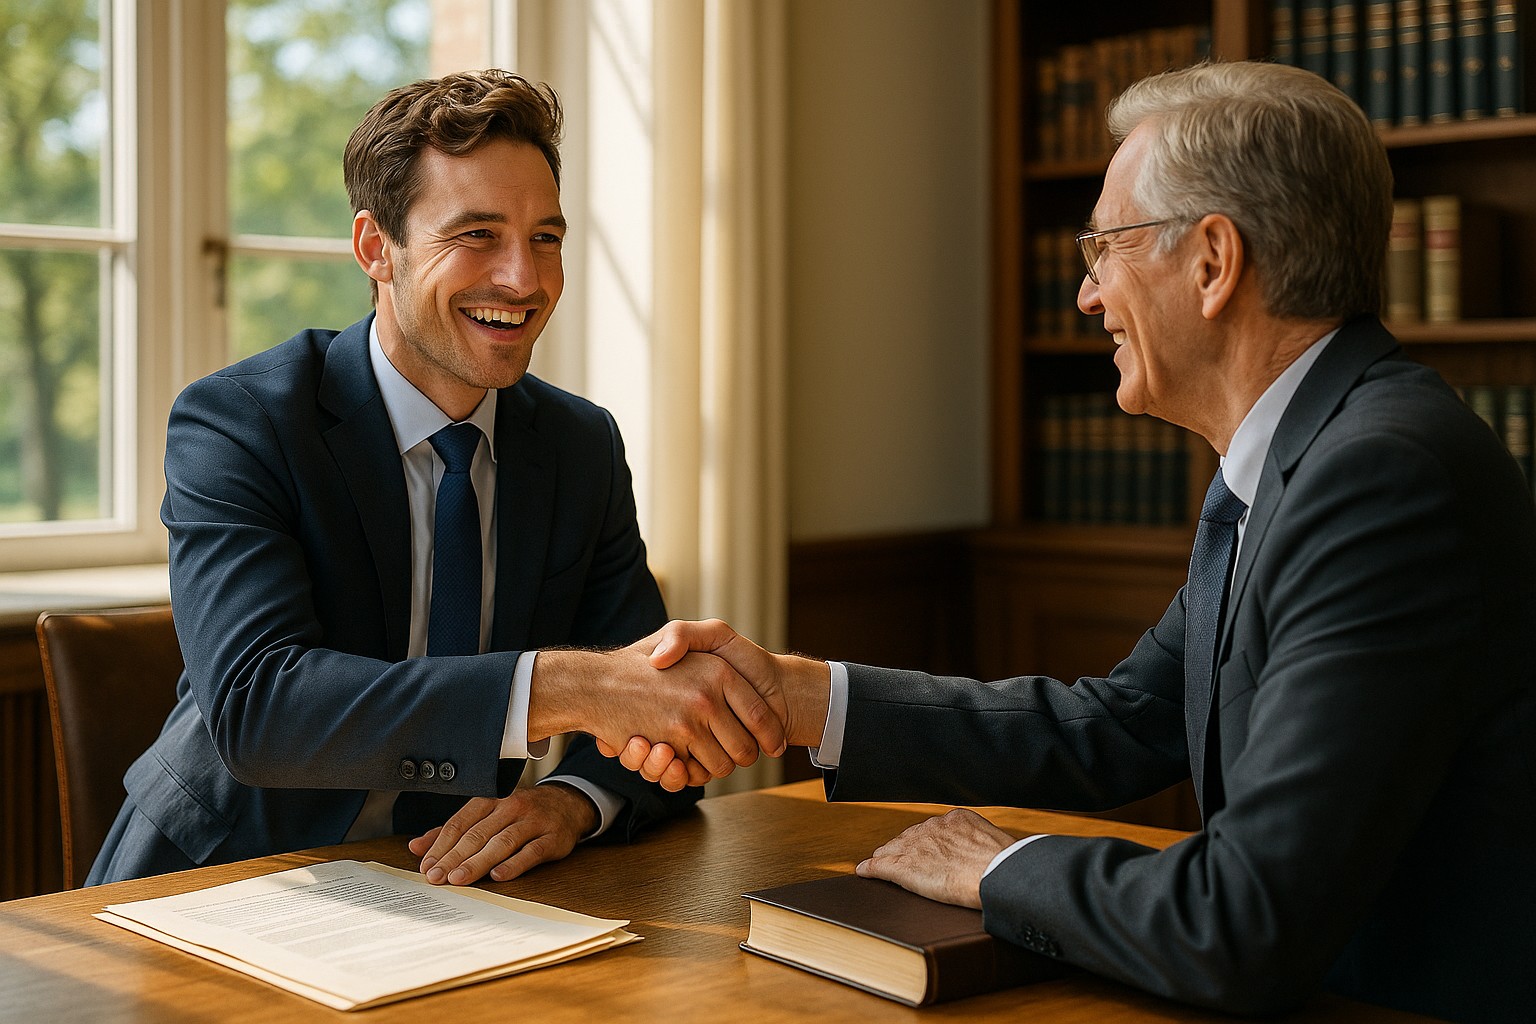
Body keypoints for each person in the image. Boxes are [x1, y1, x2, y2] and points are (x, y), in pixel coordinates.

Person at [617, 61, 1536, 1023]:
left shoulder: (1379, 479)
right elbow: (1124, 723)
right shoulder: (1298, 456)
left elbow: (1243, 921)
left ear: (1214, 263)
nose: (1089, 296)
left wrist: (1002, 866)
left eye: (1105, 248)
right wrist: (803, 697)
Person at [89, 70, 782, 889]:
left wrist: (568, 801)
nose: (524, 280)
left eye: (547, 238)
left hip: (468, 896)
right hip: (226, 878)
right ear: (376, 249)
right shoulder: (241, 422)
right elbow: (260, 709)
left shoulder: (579, 446)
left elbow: (656, 716)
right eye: (478, 235)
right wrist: (568, 685)